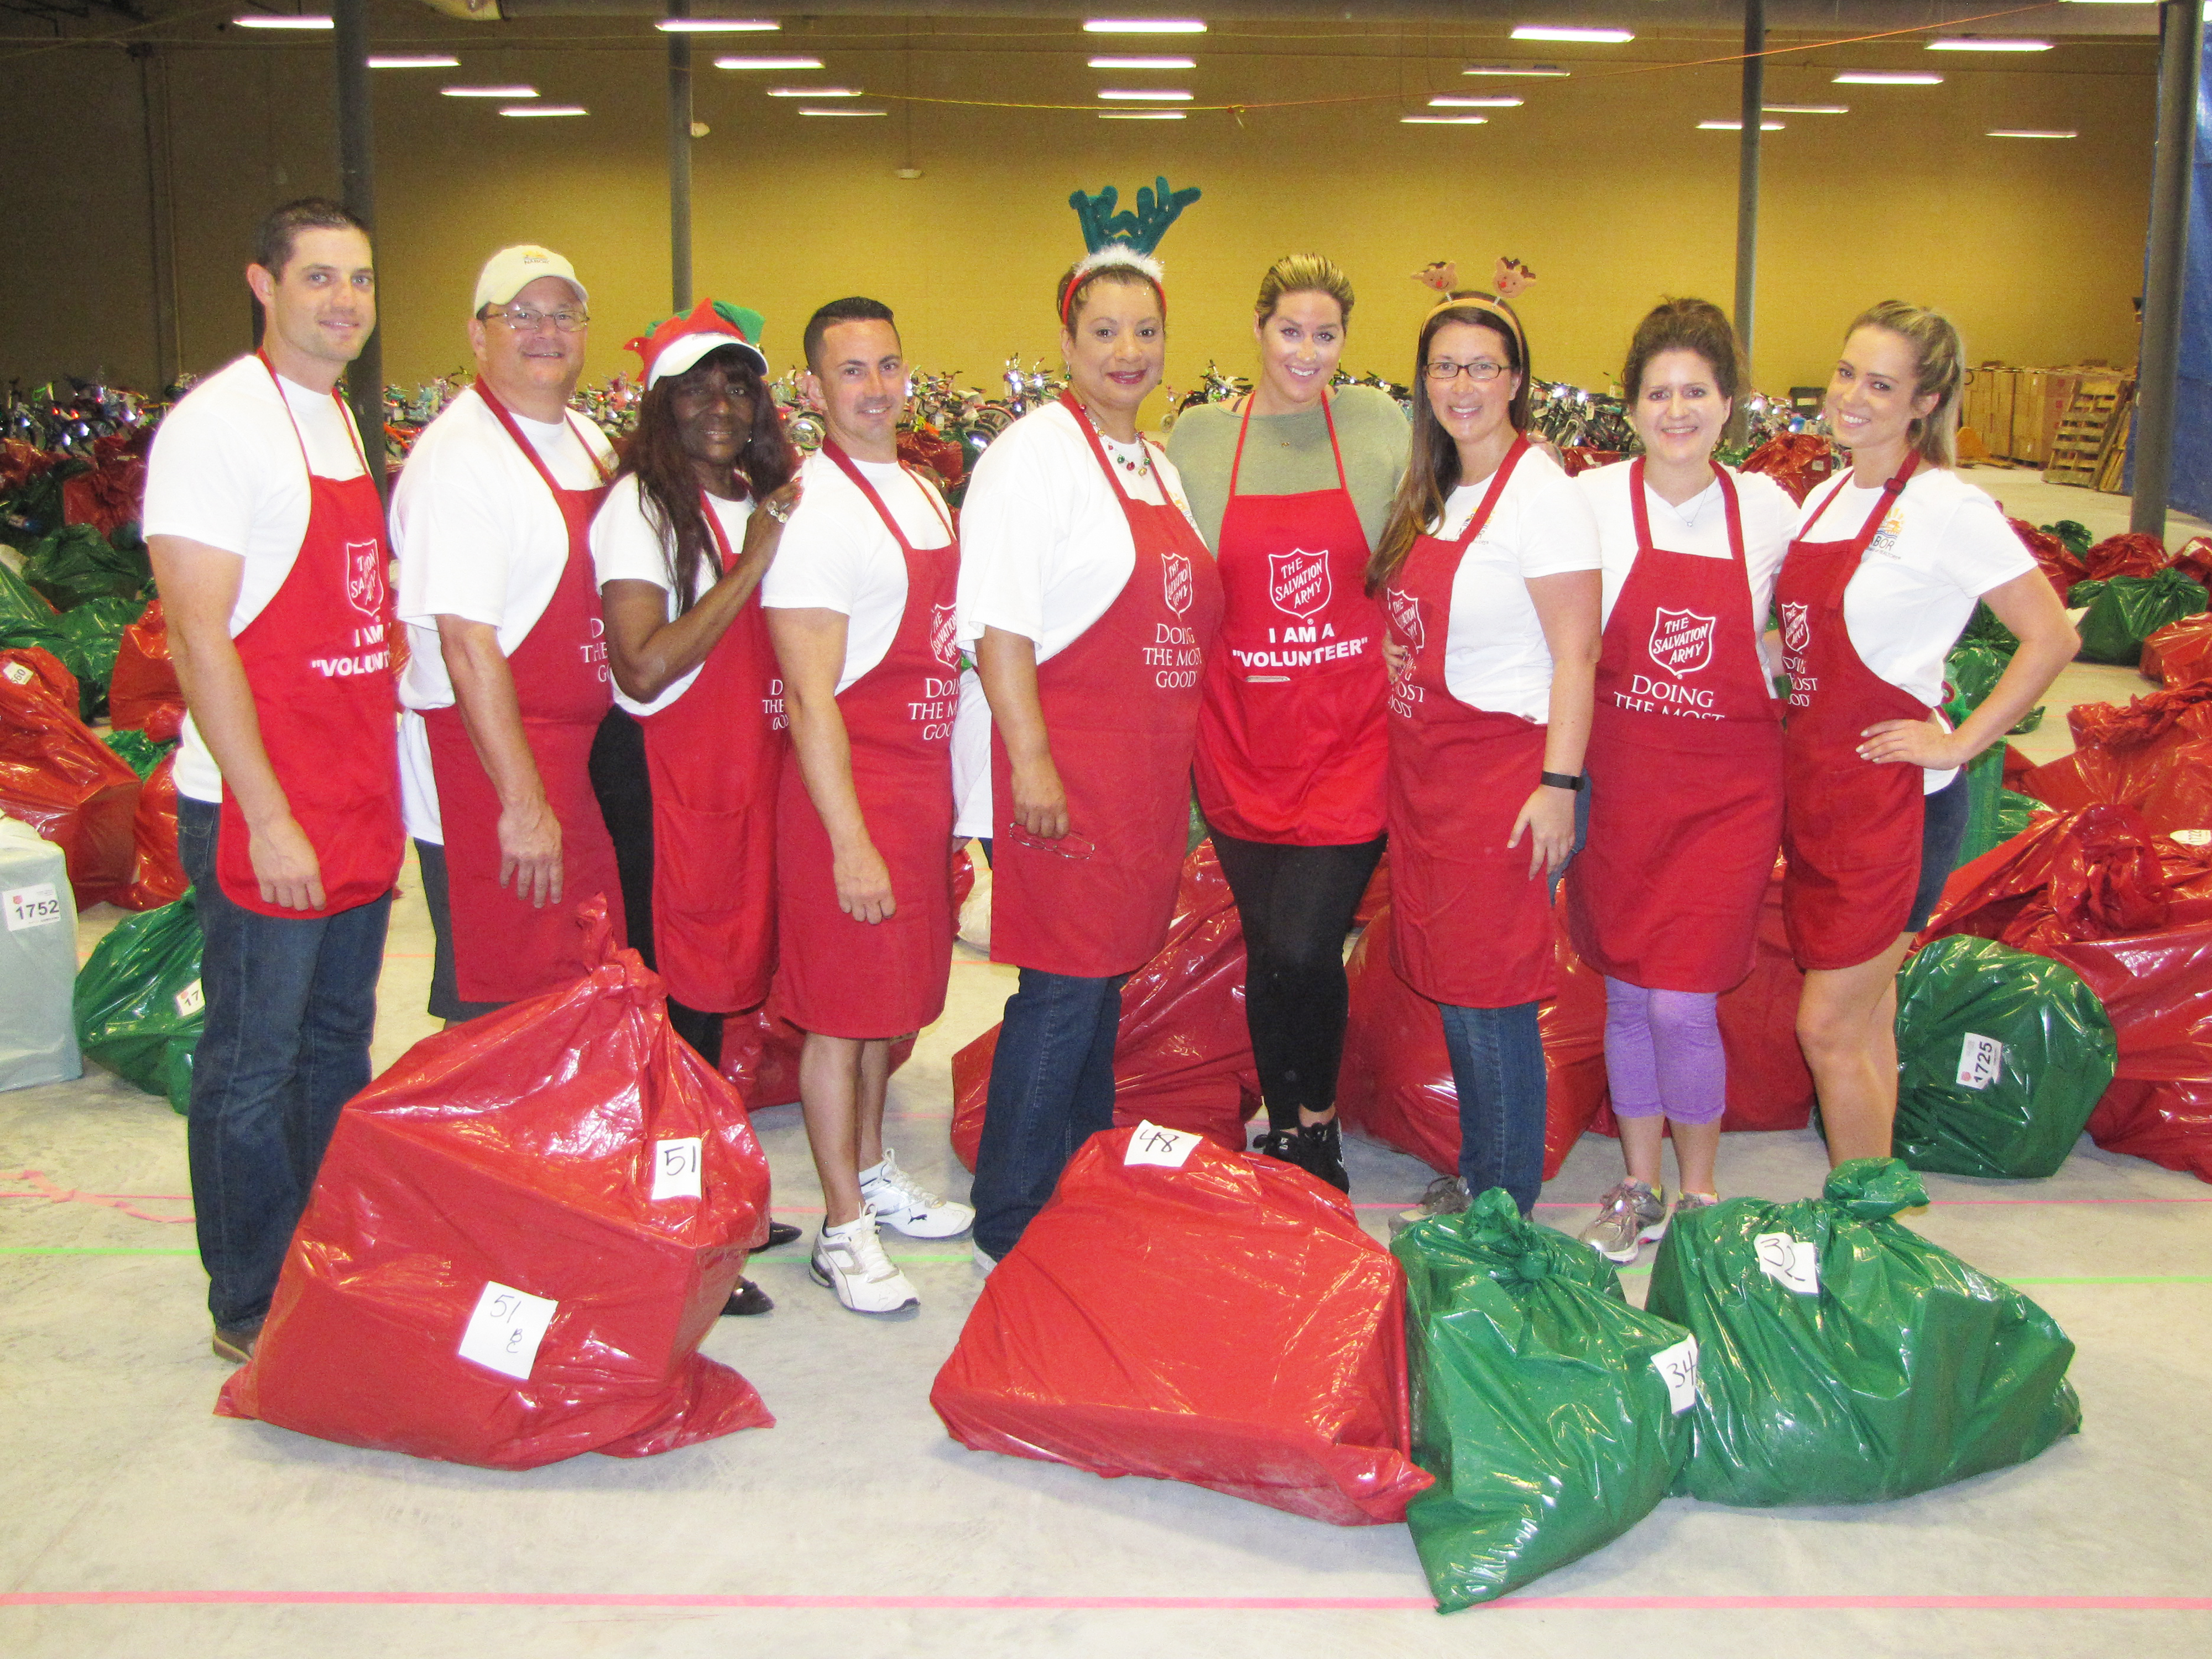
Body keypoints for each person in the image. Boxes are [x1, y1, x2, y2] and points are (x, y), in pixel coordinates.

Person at [144, 198, 401, 1363]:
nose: (343, 300)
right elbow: (201, 644)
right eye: (318, 279)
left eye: (357, 279)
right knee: (253, 1060)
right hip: (265, 809)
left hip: (349, 792)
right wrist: (270, 816)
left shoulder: (337, 416)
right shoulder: (217, 426)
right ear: (263, 283)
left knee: (336, 1045)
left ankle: (322, 1253)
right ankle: (247, 1296)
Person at [959, 247, 1224, 1269]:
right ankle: (1011, 1218)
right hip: (1066, 772)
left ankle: (1081, 1176)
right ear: (1066, 342)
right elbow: (999, 627)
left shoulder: (1154, 464)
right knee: (1063, 992)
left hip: (1144, 782)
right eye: (1104, 331)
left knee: (1105, 986)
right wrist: (1031, 765)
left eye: (1145, 331)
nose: (1127, 351)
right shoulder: (1033, 456)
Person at [1780, 301, 2075, 1164]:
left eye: (1880, 384)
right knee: (1864, 1026)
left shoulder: (1947, 505)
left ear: (1924, 400)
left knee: (1827, 1028)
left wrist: (1960, 742)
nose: (1852, 398)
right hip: (1822, 795)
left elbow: (2052, 635)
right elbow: (1804, 642)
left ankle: (1861, 1221)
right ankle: (1881, 1222)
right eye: (1845, 374)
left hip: (1895, 805)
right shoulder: (1827, 495)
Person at [1164, 253, 1406, 1192]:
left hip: (1352, 734)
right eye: (1291, 331)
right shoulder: (1196, 438)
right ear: (1259, 329)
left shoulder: (1378, 425)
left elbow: (1427, 540)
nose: (1308, 352)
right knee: (1271, 950)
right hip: (1238, 732)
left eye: (1327, 334)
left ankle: (1321, 1120)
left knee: (1308, 942)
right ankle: (1290, 1130)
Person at [1562, 299, 1797, 1261]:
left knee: (1679, 1000)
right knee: (1625, 995)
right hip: (1623, 789)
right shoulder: (1590, 501)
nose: (1676, 409)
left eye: (1695, 390)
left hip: (1728, 796)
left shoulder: (1772, 510)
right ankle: (1637, 1183)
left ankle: (1699, 1199)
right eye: (1657, 391)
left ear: (1729, 401)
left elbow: (1813, 623)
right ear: (1630, 405)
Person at [587, 298, 802, 1317]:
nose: (720, 404)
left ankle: (716, 1188)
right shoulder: (641, 508)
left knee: (724, 994)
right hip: (667, 774)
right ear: (662, 403)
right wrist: (756, 560)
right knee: (682, 1005)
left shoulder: (756, 496)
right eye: (697, 387)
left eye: (737, 384)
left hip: (741, 770)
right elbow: (640, 667)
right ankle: (680, 1227)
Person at [1370, 292, 1600, 1225]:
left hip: (1506, 777)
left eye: (1481, 367)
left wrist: (1558, 786)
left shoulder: (1542, 495)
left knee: (1491, 999)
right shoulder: (1444, 489)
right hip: (1433, 774)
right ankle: (1483, 1174)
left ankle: (1505, 1200)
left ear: (1515, 380)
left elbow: (1576, 653)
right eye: (1444, 368)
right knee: (1459, 991)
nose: (1461, 386)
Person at [764, 297, 972, 1316]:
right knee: (841, 1024)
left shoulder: (925, 494)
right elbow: (809, 695)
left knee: (891, 1015)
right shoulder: (815, 509)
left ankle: (876, 1168)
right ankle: (840, 1226)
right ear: (812, 389)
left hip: (919, 788)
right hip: (846, 794)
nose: (877, 387)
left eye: (889, 364)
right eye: (852, 371)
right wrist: (848, 840)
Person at [393, 246, 622, 1020]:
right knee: (503, 1007)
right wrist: (522, 804)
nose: (545, 331)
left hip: (577, 758)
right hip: (492, 763)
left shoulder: (590, 441)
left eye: (563, 313)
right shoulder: (460, 460)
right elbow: (465, 643)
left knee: (577, 976)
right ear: (478, 333)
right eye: (520, 314)